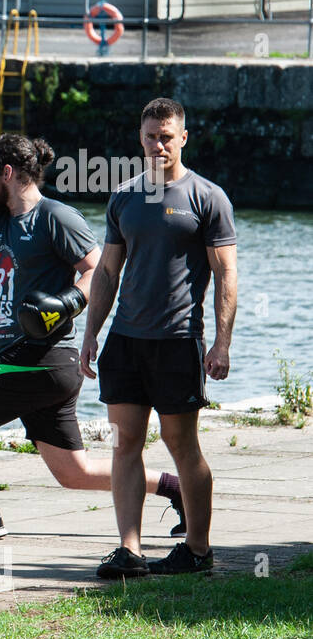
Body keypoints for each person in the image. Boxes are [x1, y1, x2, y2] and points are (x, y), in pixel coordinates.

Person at [0, 134, 183, 542]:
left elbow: (100, 269)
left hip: (44, 356)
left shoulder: (55, 217)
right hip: (30, 361)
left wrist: (66, 302)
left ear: (8, 173)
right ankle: (177, 489)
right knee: (73, 474)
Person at [80, 97, 237, 578]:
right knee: (125, 442)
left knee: (180, 444)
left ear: (183, 138)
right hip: (126, 341)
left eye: (167, 136)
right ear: (140, 138)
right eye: (150, 136)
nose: (158, 144)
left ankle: (198, 549)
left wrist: (222, 343)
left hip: (177, 341)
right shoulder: (124, 197)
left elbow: (226, 274)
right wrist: (91, 333)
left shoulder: (208, 198)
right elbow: (107, 271)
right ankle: (129, 550)